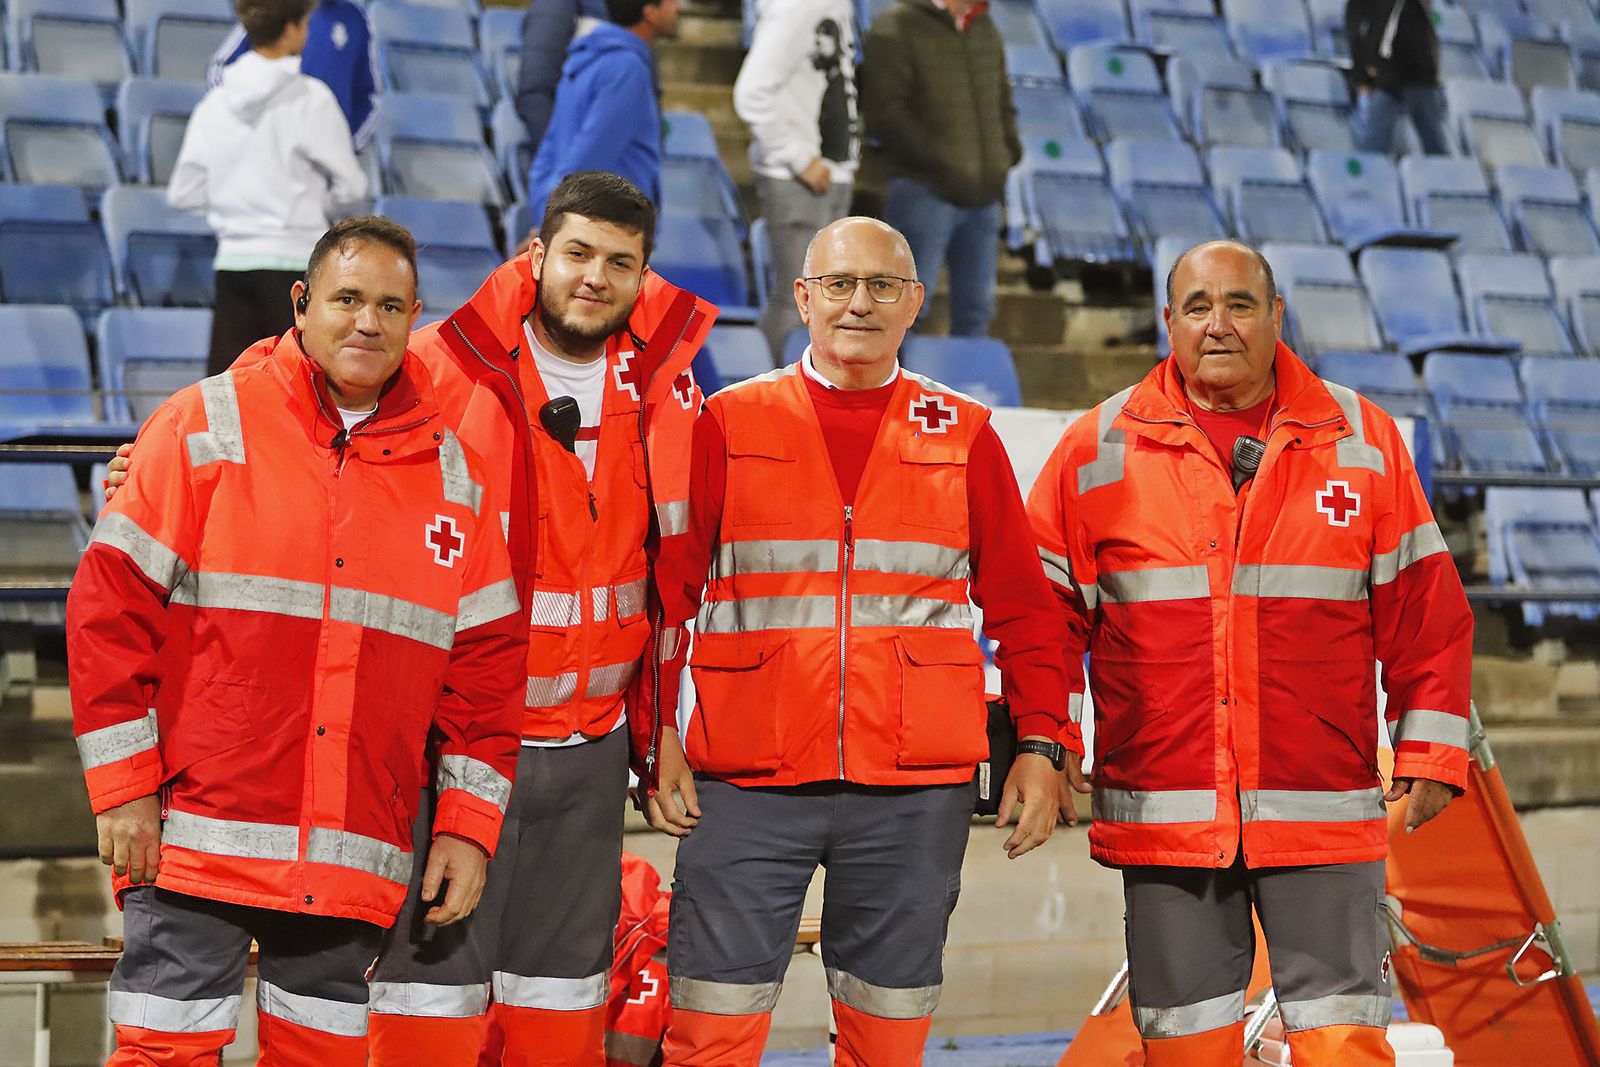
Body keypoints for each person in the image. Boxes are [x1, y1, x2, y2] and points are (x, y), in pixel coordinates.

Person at [67, 217, 526, 1066]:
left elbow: (488, 675)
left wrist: (465, 827)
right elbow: (107, 610)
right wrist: (124, 788)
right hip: (192, 836)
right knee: (161, 1053)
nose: (368, 321)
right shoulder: (203, 424)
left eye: (391, 305)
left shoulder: (457, 478)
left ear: (414, 315)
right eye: (347, 298)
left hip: (352, 848)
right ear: (302, 303)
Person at [1027, 240, 1474, 1067]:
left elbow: (1429, 611)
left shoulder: (1362, 439)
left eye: (1239, 304)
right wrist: (1044, 745)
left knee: (1345, 1048)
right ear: (1168, 322)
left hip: (1323, 813)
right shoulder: (1095, 450)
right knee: (1185, 1051)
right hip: (1169, 816)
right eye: (1197, 306)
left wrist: (1433, 748)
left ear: (1276, 316)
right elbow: (1040, 620)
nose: (1218, 324)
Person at [647, 217, 1073, 1067]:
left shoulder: (965, 433)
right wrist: (655, 731)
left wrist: (1041, 742)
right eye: (839, 283)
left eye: (883, 286)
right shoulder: (726, 422)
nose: (859, 303)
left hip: (913, 789)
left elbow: (1026, 609)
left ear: (914, 303)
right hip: (746, 778)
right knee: (711, 1024)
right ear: (802, 298)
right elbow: (667, 599)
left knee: (891, 1027)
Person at [364, 171, 716, 1067]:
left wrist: (660, 730)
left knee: (562, 1008)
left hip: (592, 755)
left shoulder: (671, 385)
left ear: (644, 276)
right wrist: (153, 448)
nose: (595, 277)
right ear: (537, 255)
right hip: (460, 747)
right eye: (578, 254)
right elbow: (308, 364)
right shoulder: (442, 363)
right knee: (425, 1001)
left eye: (620, 262)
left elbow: (674, 576)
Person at [169, 0, 367, 377]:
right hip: (295, 262)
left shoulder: (215, 103)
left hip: (233, 265)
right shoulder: (312, 99)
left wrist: (233, 213)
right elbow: (352, 186)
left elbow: (185, 192)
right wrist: (320, 208)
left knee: (230, 396)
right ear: (291, 28)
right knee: (296, 394)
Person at [862, 0, 1019, 338]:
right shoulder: (896, 27)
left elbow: (1002, 99)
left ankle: (967, 389)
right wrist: (941, 161)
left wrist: (1006, 154)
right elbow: (884, 113)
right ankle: (894, 391)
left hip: (984, 196)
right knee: (908, 310)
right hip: (923, 190)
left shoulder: (984, 27)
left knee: (977, 312)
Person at [734, 0, 860, 359]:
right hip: (800, 178)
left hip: (830, 173)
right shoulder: (800, 5)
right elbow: (751, 92)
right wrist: (798, 158)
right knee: (799, 302)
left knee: (823, 302)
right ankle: (769, 399)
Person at [525, 0, 679, 220]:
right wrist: (552, 221)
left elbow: (547, 153)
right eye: (670, 2)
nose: (677, 8)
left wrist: (545, 215)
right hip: (609, 224)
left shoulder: (582, 59)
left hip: (576, 219)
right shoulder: (628, 69)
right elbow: (592, 155)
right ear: (650, 13)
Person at [208, 0, 379, 149]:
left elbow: (367, 97)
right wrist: (249, 131)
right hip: (266, 153)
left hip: (323, 163)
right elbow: (221, 71)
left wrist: (344, 146)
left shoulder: (355, 19)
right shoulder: (273, 8)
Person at [1346, 0, 1451, 156]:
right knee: (1372, 148)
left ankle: (1444, 180)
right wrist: (1361, 74)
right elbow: (1355, 29)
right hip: (1384, 77)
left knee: (1435, 146)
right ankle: (1372, 179)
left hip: (1420, 76)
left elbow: (1426, 33)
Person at [516, 0, 610, 157]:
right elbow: (535, 94)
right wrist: (566, 164)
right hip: (578, 162)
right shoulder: (556, 7)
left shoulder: (624, 10)